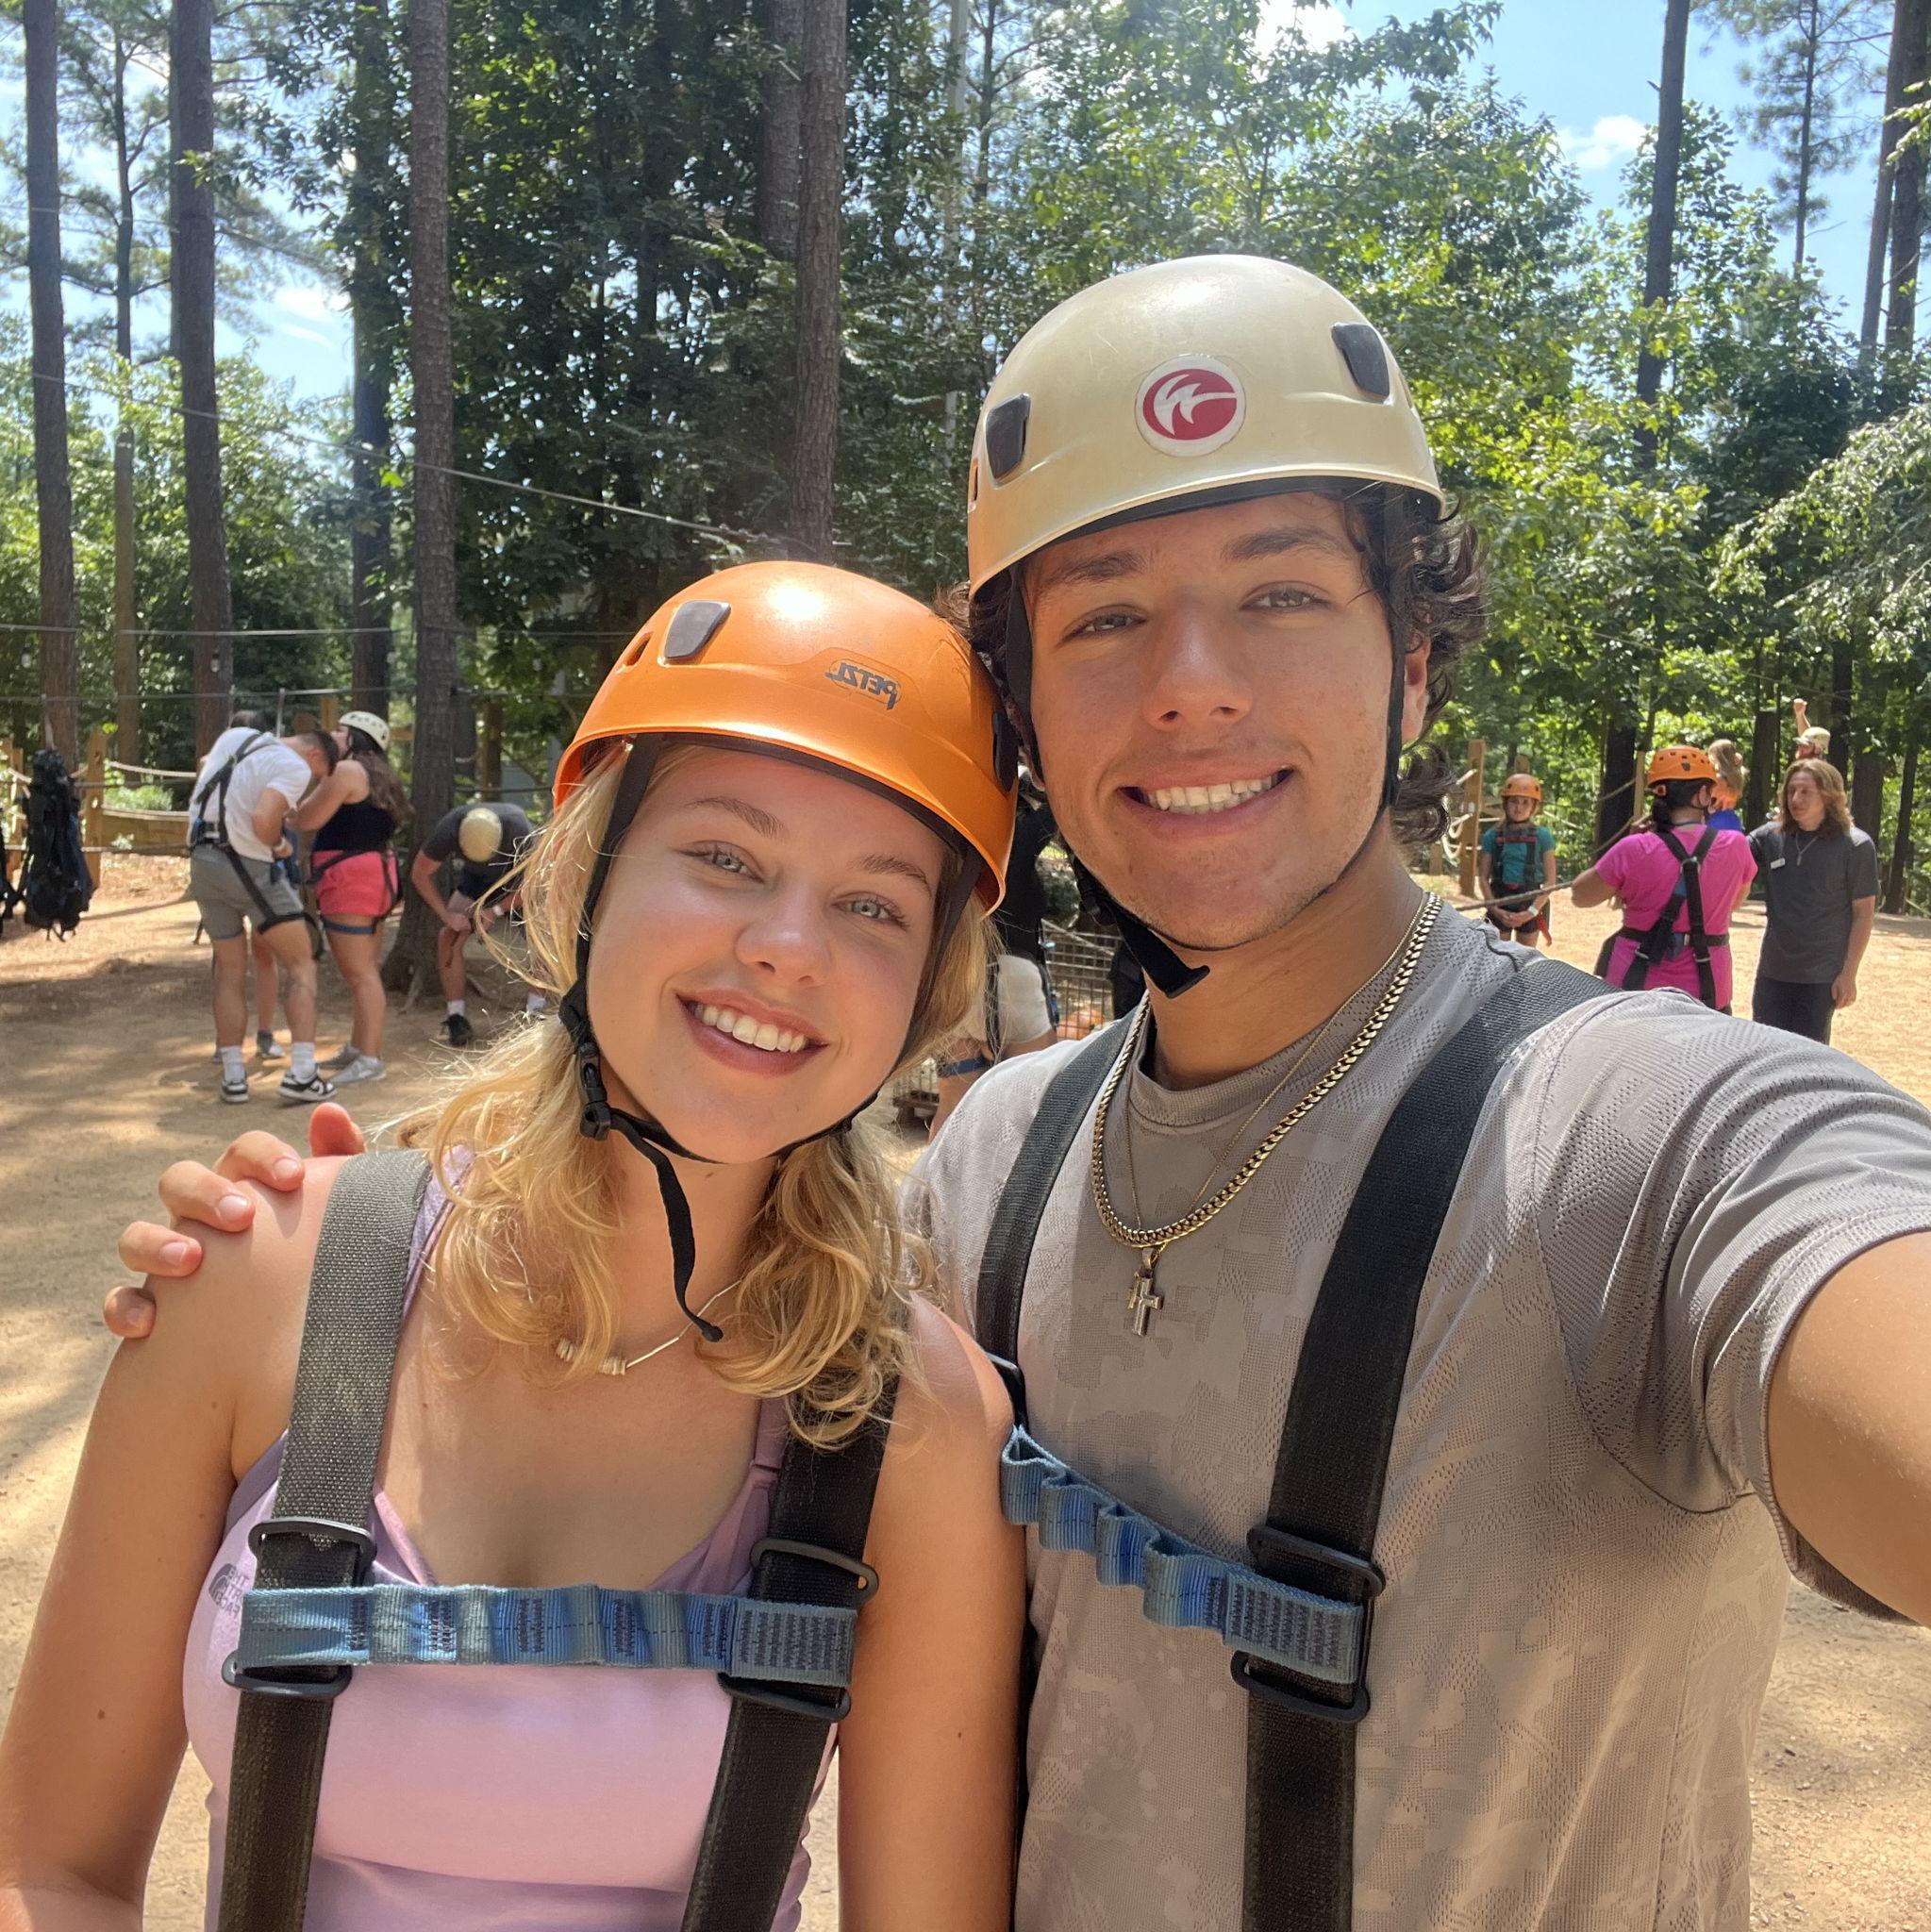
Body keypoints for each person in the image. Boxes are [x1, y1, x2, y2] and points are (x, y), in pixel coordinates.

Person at [105, 257, 1931, 1932]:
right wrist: (338, 1259)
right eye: (1107, 617)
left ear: (1419, 656)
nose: (1191, 688)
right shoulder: (992, 1167)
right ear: (1028, 721)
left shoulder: (1644, 1136)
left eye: (1282, 592)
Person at [0, 563, 1023, 1930]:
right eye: (724, 855)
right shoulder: (262, 1284)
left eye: (874, 905)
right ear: (586, 877)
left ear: (922, 989)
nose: (785, 947)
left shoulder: (911, 1426)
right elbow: (49, 1870)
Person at [183, 720, 340, 1105]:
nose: (308, 788)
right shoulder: (295, 765)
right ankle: (303, 1072)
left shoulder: (234, 736)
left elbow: (209, 778)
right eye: (318, 777)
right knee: (303, 962)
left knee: (230, 969)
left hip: (202, 861)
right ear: (316, 755)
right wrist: (280, 847)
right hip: (247, 865)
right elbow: (262, 820)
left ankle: (234, 1076)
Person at [1572, 745, 1756, 1011]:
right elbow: (1735, 902)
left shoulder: (1635, 848)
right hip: (1707, 992)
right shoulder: (1736, 846)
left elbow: (1580, 896)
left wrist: (1625, 851)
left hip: (1634, 989)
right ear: (1704, 794)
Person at [931, 782, 1060, 1135]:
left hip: (953, 975)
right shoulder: (1018, 834)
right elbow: (1060, 808)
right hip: (1012, 975)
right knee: (1035, 1100)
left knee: (953, 1100)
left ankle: (936, 1186)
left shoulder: (949, 834)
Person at [292, 708, 410, 1087]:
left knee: (360, 975)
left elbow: (308, 818)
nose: (333, 734)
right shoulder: (381, 777)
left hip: (350, 881)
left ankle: (370, 1058)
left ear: (358, 738)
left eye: (341, 730)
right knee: (367, 971)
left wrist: (282, 806)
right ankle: (361, 1047)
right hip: (376, 875)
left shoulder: (345, 772)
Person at [1748, 758, 1879, 1044]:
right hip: (1773, 971)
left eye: (1806, 791)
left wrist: (1849, 974)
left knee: (1807, 1060)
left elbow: (1863, 914)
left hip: (1820, 978)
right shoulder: (1770, 837)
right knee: (1763, 1050)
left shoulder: (1855, 846)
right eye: (1791, 791)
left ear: (1829, 795)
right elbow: (1727, 854)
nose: (1796, 799)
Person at [411, 800, 539, 1046]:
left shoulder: (520, 828)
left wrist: (495, 911)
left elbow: (534, 882)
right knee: (448, 937)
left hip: (519, 881)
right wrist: (447, 916)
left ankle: (534, 1014)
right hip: (477, 882)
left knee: (542, 937)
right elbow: (420, 872)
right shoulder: (450, 828)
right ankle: (456, 1017)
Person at [1475, 771, 1556, 945]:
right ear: (1505, 803)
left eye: (1525, 802)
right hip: (1499, 901)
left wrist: (1532, 912)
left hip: (1530, 904)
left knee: (1523, 961)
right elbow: (1483, 877)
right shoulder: (1492, 836)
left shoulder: (1543, 836)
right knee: (1496, 959)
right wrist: (1495, 909)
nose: (1519, 808)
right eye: (1514, 801)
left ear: (1534, 806)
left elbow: (1551, 881)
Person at [1708, 738, 1747, 834]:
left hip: (1715, 822)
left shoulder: (1717, 779)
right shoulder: (1738, 776)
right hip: (1732, 820)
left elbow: (1708, 802)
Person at [1790, 697, 1830, 761]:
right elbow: (1805, 734)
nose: (1801, 749)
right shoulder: (1804, 766)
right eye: (1800, 745)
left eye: (1805, 746)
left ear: (1818, 750)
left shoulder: (1817, 770)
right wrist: (1800, 714)